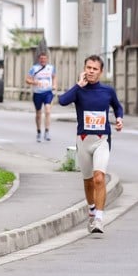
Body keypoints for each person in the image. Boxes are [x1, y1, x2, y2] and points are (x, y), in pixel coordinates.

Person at [57, 55, 124, 234]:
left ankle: (99, 219)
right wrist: (78, 85)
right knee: (88, 182)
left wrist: (119, 119)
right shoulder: (79, 90)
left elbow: (118, 106)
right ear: (84, 69)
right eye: (88, 68)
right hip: (84, 140)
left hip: (102, 140)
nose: (91, 71)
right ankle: (92, 210)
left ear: (101, 72)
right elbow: (62, 101)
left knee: (99, 178)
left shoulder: (107, 91)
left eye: (94, 69)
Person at [25, 52, 56, 142]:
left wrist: (54, 85)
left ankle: (47, 131)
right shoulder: (34, 68)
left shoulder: (51, 68)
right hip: (37, 93)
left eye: (44, 58)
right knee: (38, 114)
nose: (43, 60)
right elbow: (27, 79)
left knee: (48, 111)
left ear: (47, 59)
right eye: (41, 59)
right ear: (39, 59)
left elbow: (54, 77)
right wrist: (34, 82)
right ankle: (39, 132)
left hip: (48, 92)